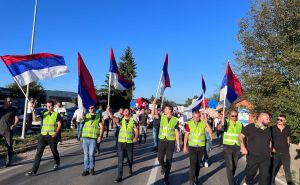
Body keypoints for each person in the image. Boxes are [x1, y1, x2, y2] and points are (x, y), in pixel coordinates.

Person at [25, 100, 62, 176]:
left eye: (50, 106)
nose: (48, 107)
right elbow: (35, 119)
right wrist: (33, 111)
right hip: (43, 136)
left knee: (54, 151)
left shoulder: (56, 114)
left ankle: (57, 163)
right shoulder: (44, 113)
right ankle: (34, 170)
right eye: (47, 106)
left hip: (52, 136)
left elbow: (59, 125)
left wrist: (56, 133)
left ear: (53, 106)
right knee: (38, 153)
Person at [153, 99, 181, 185]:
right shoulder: (162, 117)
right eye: (165, 109)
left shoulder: (175, 120)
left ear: (170, 110)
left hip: (171, 142)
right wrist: (154, 105)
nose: (165, 110)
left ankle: (166, 178)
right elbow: (154, 115)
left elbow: (176, 132)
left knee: (169, 160)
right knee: (160, 158)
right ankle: (163, 167)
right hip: (161, 141)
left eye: (167, 109)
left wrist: (178, 145)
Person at [240, 113, 272, 185]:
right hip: (253, 155)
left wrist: (271, 150)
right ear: (261, 119)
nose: (269, 121)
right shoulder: (250, 127)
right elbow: (241, 136)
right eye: (267, 119)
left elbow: (269, 142)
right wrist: (243, 147)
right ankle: (247, 181)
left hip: (266, 157)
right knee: (251, 173)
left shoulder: (268, 130)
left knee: (265, 176)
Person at [184, 111, 213, 185]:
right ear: (193, 116)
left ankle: (196, 177)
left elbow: (210, 131)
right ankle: (191, 180)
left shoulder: (203, 123)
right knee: (192, 164)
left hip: (201, 147)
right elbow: (186, 135)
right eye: (195, 116)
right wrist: (185, 146)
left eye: (198, 117)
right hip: (192, 147)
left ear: (200, 116)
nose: (196, 118)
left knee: (198, 164)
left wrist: (206, 122)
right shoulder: (189, 123)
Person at [111, 108, 139, 182]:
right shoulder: (121, 120)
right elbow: (113, 118)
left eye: (127, 111)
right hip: (121, 143)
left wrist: (136, 137)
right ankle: (119, 176)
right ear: (123, 113)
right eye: (124, 111)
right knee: (120, 160)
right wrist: (109, 111)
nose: (125, 112)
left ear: (129, 112)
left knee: (130, 159)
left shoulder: (133, 121)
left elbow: (136, 130)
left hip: (129, 143)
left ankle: (130, 167)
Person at [217, 110, 243, 185]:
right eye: (232, 116)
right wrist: (221, 124)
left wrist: (243, 146)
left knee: (234, 165)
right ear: (229, 116)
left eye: (235, 116)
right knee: (230, 165)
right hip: (227, 147)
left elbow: (242, 136)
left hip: (237, 146)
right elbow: (219, 129)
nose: (234, 117)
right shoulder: (226, 122)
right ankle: (231, 183)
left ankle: (231, 176)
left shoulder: (239, 124)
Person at [271, 114, 294, 185]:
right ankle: (272, 182)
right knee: (273, 168)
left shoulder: (288, 128)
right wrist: (271, 148)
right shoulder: (272, 128)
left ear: (284, 121)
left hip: (285, 152)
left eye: (281, 120)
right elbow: (269, 139)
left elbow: (288, 138)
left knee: (287, 169)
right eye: (278, 119)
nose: (279, 121)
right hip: (275, 152)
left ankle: (289, 183)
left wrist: (287, 146)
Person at [81, 105, 103, 176]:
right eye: (89, 108)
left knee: (91, 154)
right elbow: (81, 119)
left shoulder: (98, 116)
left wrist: (100, 136)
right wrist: (82, 114)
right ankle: (86, 169)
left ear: (94, 108)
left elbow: (101, 127)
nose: (91, 109)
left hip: (93, 138)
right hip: (85, 138)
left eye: (92, 108)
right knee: (86, 155)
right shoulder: (86, 116)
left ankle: (92, 168)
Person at [0, 97, 19, 167]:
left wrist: (14, 125)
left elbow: (17, 119)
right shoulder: (0, 109)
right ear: (5, 101)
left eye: (11, 101)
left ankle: (8, 161)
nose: (11, 102)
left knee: (9, 146)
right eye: (9, 101)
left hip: (8, 130)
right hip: (0, 130)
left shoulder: (13, 109)